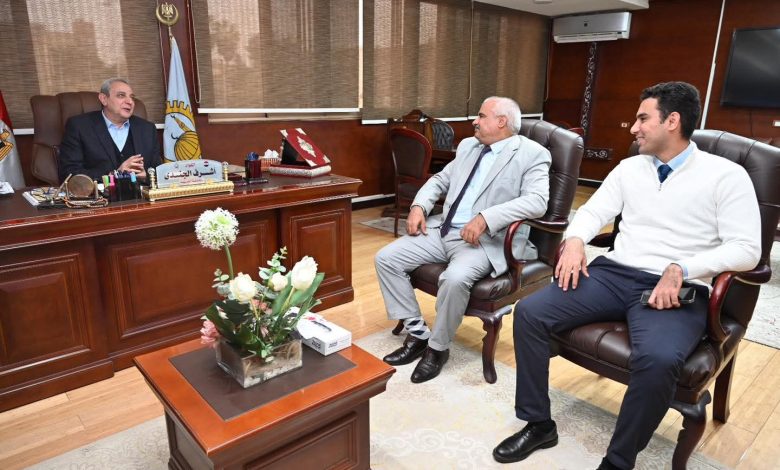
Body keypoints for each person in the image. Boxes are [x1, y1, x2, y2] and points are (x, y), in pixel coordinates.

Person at [493, 82, 761, 468]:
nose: (633, 128)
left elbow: (748, 250)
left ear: (672, 121)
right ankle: (538, 424)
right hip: (614, 274)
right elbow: (592, 211)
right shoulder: (630, 167)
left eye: (642, 119)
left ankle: (619, 461)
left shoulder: (726, 176)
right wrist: (575, 241)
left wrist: (682, 268)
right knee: (531, 313)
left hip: (676, 287)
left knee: (659, 359)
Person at [374, 96, 551, 384]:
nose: (474, 122)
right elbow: (440, 180)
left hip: (486, 240)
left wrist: (486, 218)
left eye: (481, 116)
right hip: (444, 229)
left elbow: (537, 201)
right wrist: (419, 207)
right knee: (386, 258)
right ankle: (418, 335)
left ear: (502, 122)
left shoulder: (533, 154)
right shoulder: (469, 146)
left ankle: (437, 349)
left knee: (454, 279)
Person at [58, 78, 161, 182]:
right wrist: (113, 175)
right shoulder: (80, 126)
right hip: (101, 192)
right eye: (121, 95)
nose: (130, 102)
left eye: (132, 97)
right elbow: (69, 172)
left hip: (141, 191)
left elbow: (158, 171)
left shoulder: (147, 129)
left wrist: (147, 177)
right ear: (104, 99)